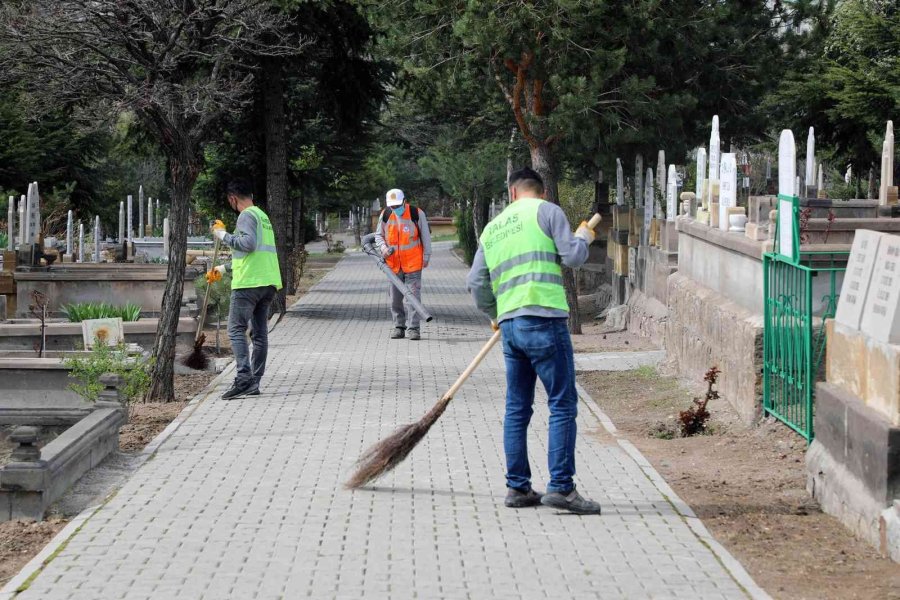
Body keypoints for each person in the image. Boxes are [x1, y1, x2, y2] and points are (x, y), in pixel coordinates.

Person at [466, 167, 601, 514]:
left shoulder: (493, 229)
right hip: (545, 321)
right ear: (539, 192)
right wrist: (584, 237)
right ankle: (562, 488)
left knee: (517, 408)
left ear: (512, 193)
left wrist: (496, 313)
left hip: (510, 326)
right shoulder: (548, 212)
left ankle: (518, 488)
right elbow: (571, 257)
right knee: (562, 404)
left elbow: (476, 282)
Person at [207, 179, 283, 400]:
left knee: (235, 330)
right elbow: (254, 254)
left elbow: (248, 244)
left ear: (232, 198)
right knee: (259, 334)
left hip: (248, 284)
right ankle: (254, 382)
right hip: (266, 282)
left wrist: (222, 235)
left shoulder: (246, 215)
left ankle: (243, 378)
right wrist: (223, 268)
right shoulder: (262, 216)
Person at [374, 188, 432, 341]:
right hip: (393, 265)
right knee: (395, 298)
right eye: (392, 206)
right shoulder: (385, 214)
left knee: (413, 297)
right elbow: (378, 236)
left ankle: (414, 329)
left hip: (413, 263)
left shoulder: (416, 213)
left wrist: (426, 256)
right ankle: (399, 326)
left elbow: (425, 236)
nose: (395, 209)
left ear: (405, 201)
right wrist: (383, 248)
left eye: (398, 206)